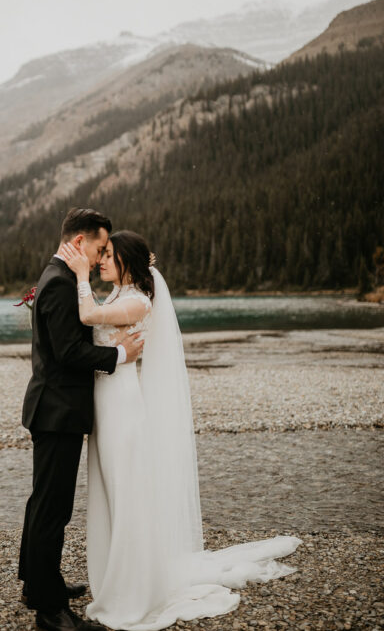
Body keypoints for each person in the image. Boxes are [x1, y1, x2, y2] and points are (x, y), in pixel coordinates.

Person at [59, 229, 303, 631]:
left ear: (127, 263)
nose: (101, 259)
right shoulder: (119, 295)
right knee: (108, 493)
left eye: (108, 256)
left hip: (122, 406)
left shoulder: (137, 300)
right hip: (105, 405)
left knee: (125, 494)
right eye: (99, 255)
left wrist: (81, 274)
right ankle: (113, 580)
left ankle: (132, 592)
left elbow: (87, 316)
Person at [19, 207, 144, 631]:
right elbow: (68, 352)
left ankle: (39, 583)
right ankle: (50, 611)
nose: (99, 255)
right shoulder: (58, 283)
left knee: (45, 504)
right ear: (79, 242)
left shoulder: (57, 278)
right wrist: (120, 354)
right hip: (57, 412)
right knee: (52, 509)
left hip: (56, 410)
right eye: (98, 247)